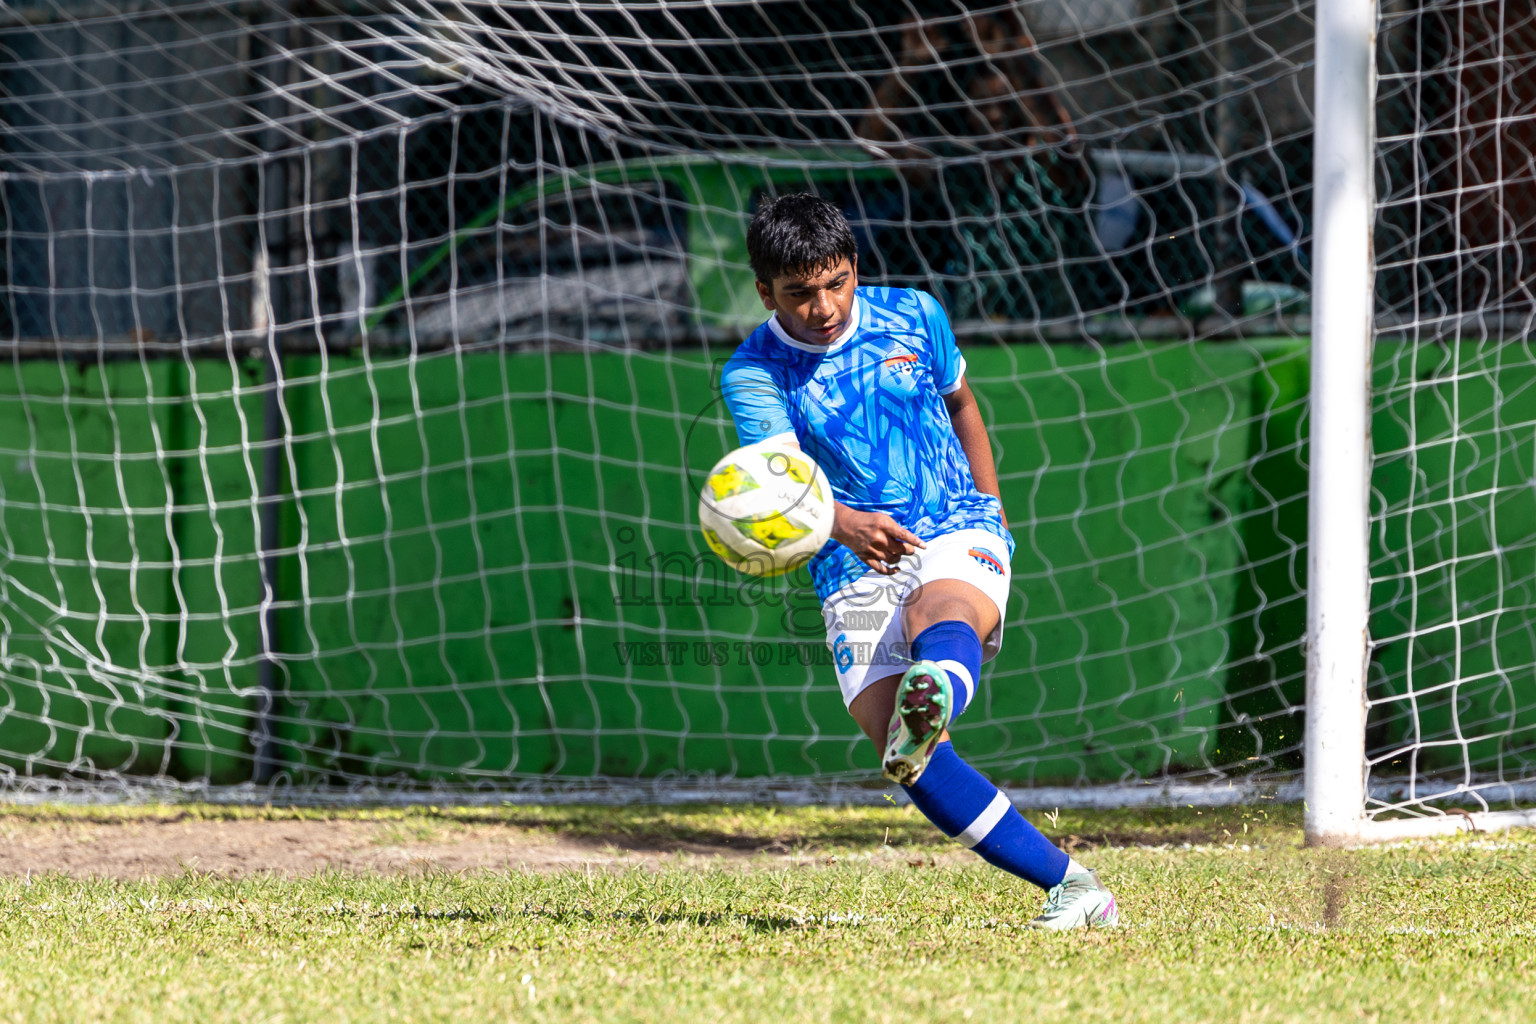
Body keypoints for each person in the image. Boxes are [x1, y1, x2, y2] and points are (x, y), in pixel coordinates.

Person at [718, 193, 1119, 931]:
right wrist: (841, 525)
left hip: (954, 522)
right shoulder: (753, 373)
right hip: (847, 561)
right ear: (764, 290)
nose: (825, 307)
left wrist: (990, 506)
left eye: (836, 282)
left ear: (854, 268)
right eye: (800, 293)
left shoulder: (915, 315)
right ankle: (1076, 889)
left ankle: (937, 677)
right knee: (906, 754)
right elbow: (779, 481)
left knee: (937, 610)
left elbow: (962, 404)